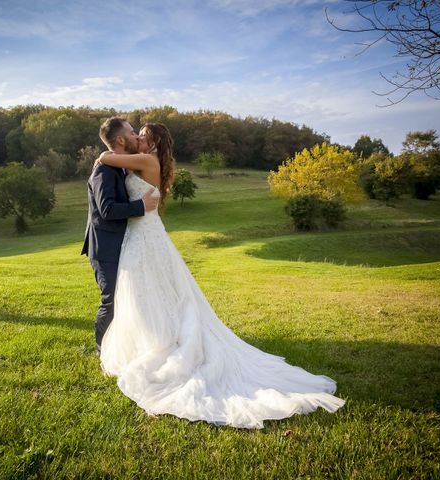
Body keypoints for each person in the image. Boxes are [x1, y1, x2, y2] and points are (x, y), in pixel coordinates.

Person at [93, 122, 345, 429]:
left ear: (153, 144)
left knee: (155, 292)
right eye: (135, 134)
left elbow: (108, 159)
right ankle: (154, 340)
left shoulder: (146, 160)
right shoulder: (140, 161)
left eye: (142, 135)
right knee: (149, 294)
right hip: (140, 237)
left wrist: (103, 155)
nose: (137, 138)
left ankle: (167, 344)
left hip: (146, 237)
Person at [81, 117, 160, 355]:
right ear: (120, 139)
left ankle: (126, 346)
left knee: (128, 298)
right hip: (105, 248)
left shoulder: (120, 166)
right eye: (133, 132)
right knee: (112, 301)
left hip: (122, 245)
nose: (137, 135)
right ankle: (101, 351)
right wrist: (141, 206)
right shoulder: (103, 170)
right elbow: (107, 210)